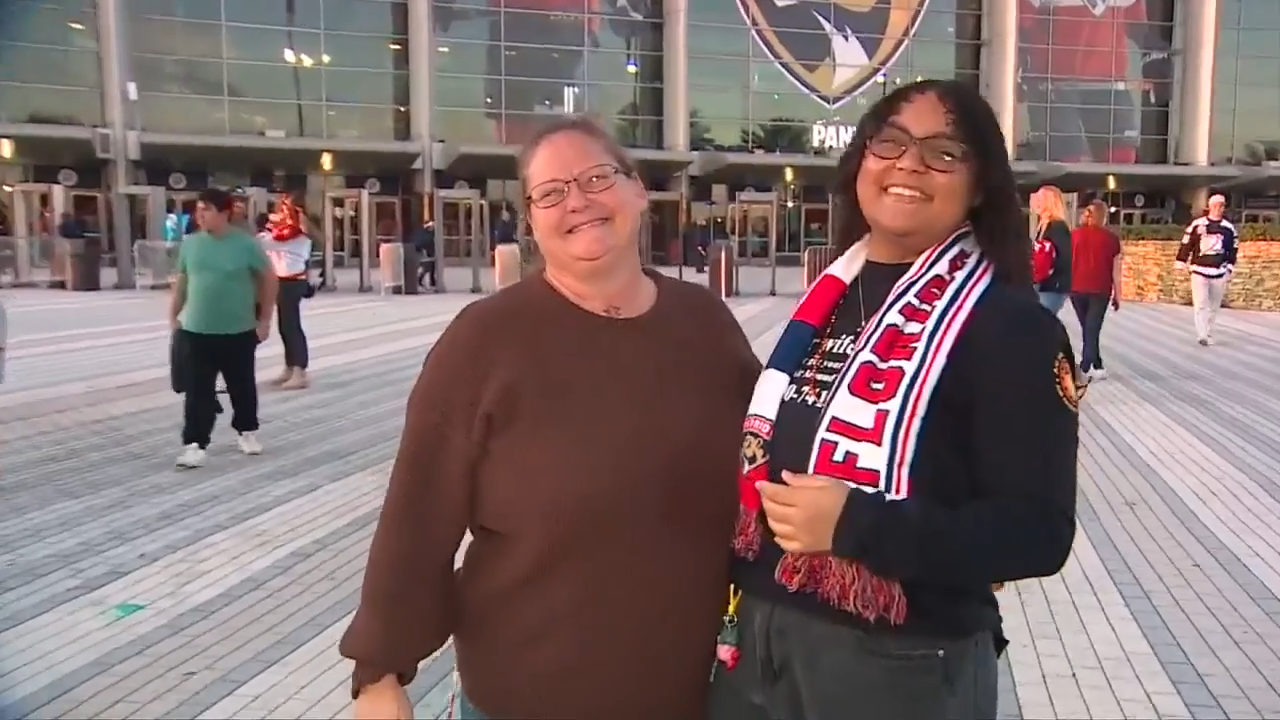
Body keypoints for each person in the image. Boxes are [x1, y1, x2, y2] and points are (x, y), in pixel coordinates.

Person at [339, 116, 760, 720]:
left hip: (689, 689)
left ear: (638, 190)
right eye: (552, 192)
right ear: (532, 220)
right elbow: (418, 511)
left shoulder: (705, 324)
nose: (579, 202)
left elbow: (764, 465)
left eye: (596, 177)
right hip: (528, 690)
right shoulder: (485, 341)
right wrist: (379, 672)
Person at [707, 79, 1080, 720]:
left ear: (981, 183)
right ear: (862, 160)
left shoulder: (1011, 328)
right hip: (756, 641)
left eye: (943, 153)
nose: (908, 163)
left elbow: (1039, 533)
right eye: (891, 142)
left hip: (897, 664)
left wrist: (857, 526)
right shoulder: (829, 298)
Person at [169, 188, 276, 469]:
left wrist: (265, 319)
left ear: (224, 212)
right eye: (198, 209)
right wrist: (173, 313)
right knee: (197, 389)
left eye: (206, 209)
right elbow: (183, 279)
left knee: (241, 385)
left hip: (237, 329)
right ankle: (195, 442)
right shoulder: (190, 243)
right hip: (197, 328)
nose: (199, 215)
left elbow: (268, 279)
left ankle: (247, 431)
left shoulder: (246, 245)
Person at [261, 196, 313, 389]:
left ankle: (300, 371)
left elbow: (266, 243)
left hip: (292, 282)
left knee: (291, 326)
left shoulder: (298, 234)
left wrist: (269, 228)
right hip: (281, 281)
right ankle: (290, 367)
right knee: (285, 325)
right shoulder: (283, 233)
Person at [1176, 194, 1237, 346]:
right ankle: (1202, 334)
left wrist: (1230, 266)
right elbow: (1187, 243)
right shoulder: (1198, 224)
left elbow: (1233, 249)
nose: (1218, 208)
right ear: (1209, 207)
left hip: (1219, 271)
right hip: (1199, 270)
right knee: (1201, 303)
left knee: (1214, 305)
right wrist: (1181, 261)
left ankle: (1208, 330)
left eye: (1221, 205)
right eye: (1215, 205)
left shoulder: (1228, 229)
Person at [1071, 200, 1123, 380]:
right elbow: (1115, 270)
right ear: (1104, 216)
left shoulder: (1073, 236)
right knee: (1091, 329)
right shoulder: (1112, 239)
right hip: (1100, 288)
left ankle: (1097, 364)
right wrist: (1118, 293)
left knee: (1088, 328)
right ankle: (1085, 367)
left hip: (1076, 287)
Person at [1030, 184, 1073, 314]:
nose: (1036, 202)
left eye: (1040, 199)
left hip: (1054, 285)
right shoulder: (1043, 225)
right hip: (1043, 284)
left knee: (1041, 322)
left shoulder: (1057, 226)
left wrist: (1047, 269)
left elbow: (1064, 257)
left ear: (1050, 201)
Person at [412, 218, 437, 290]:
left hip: (430, 252)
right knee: (427, 267)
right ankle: (421, 280)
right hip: (426, 253)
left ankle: (431, 281)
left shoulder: (430, 233)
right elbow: (423, 243)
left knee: (431, 268)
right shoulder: (424, 234)